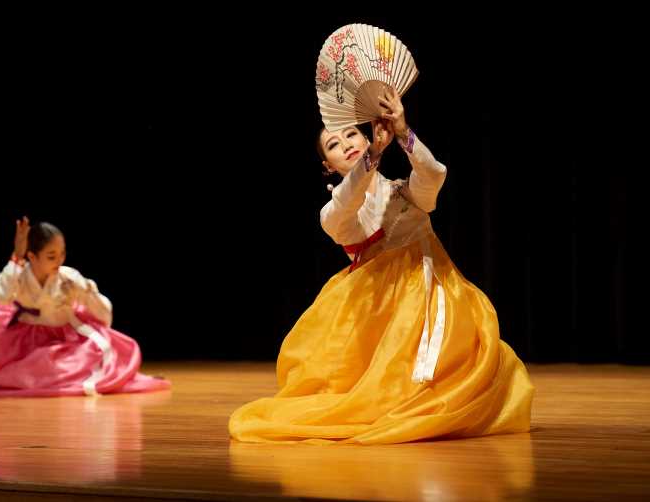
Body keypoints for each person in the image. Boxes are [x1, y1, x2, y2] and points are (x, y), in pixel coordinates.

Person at [229, 86, 534, 444]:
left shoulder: (406, 192)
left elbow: (434, 175)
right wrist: (372, 156)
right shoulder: (334, 213)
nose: (346, 144)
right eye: (334, 145)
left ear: (366, 136)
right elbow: (348, 200)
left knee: (469, 359)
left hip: (431, 293)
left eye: (351, 134)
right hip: (378, 310)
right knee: (372, 391)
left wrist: (403, 133)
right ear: (329, 166)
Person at [0, 217, 170, 397]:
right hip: (28, 339)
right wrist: (16, 258)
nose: (59, 260)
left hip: (64, 337)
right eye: (51, 256)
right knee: (6, 374)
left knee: (96, 358)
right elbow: (1, 296)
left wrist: (88, 292)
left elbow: (102, 313)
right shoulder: (20, 276)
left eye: (62, 253)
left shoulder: (68, 277)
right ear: (31, 256)